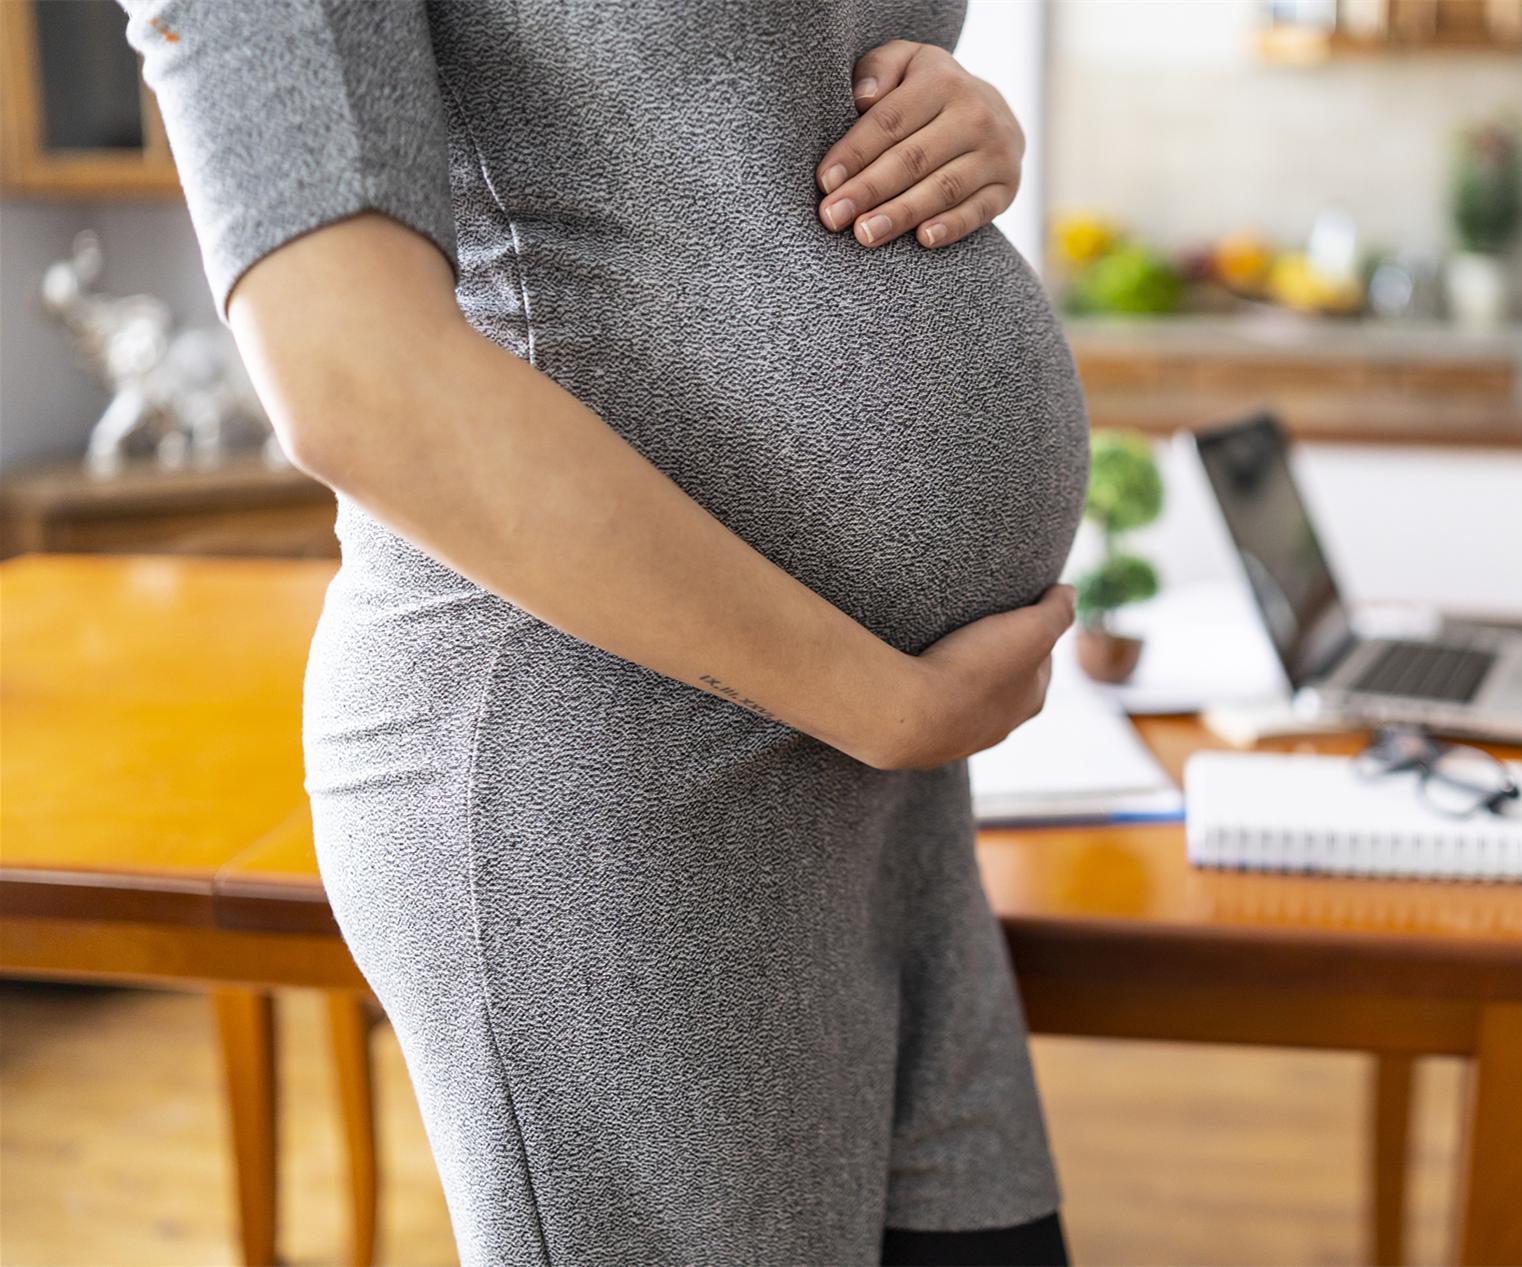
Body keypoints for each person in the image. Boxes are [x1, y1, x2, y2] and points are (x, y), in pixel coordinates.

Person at [122, 2, 1086, 1263]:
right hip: (608, 765)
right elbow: (353, 375)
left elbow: (703, 105)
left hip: (881, 773)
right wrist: (883, 701)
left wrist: (956, 120)